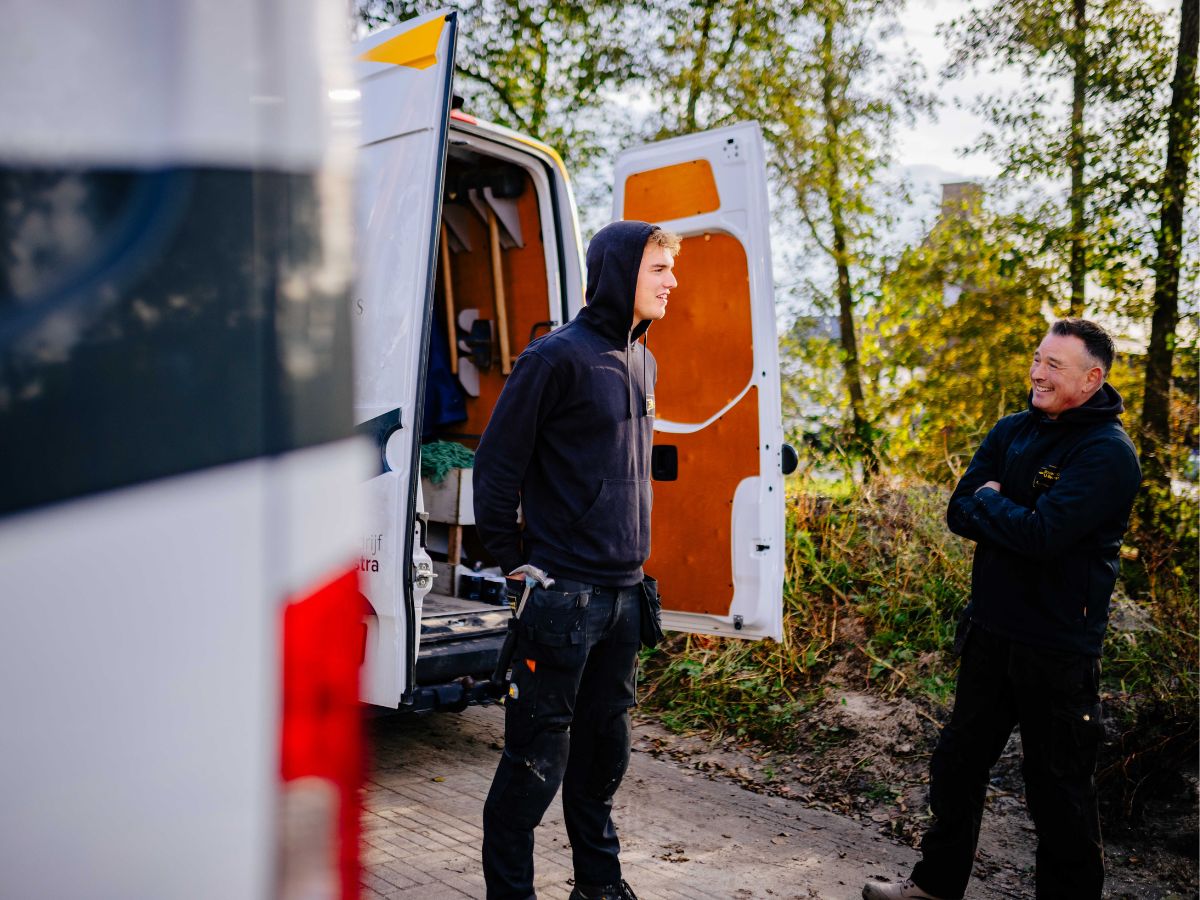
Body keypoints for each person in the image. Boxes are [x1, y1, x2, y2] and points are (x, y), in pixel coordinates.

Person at [863, 318, 1141, 900]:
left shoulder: (1107, 454)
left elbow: (1045, 536)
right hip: (991, 633)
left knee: (1057, 791)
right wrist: (1002, 509)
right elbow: (959, 508)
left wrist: (997, 506)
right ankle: (935, 888)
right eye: (1037, 359)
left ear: (1092, 378)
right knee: (958, 766)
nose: (1038, 373)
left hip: (1057, 647)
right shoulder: (1013, 429)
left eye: (1054, 365)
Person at [474, 221, 681, 900]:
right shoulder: (553, 359)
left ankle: (599, 887)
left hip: (624, 599)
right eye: (658, 269)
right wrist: (516, 566)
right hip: (563, 600)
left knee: (602, 763)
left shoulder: (643, 362)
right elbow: (497, 469)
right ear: (622, 273)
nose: (671, 281)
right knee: (535, 766)